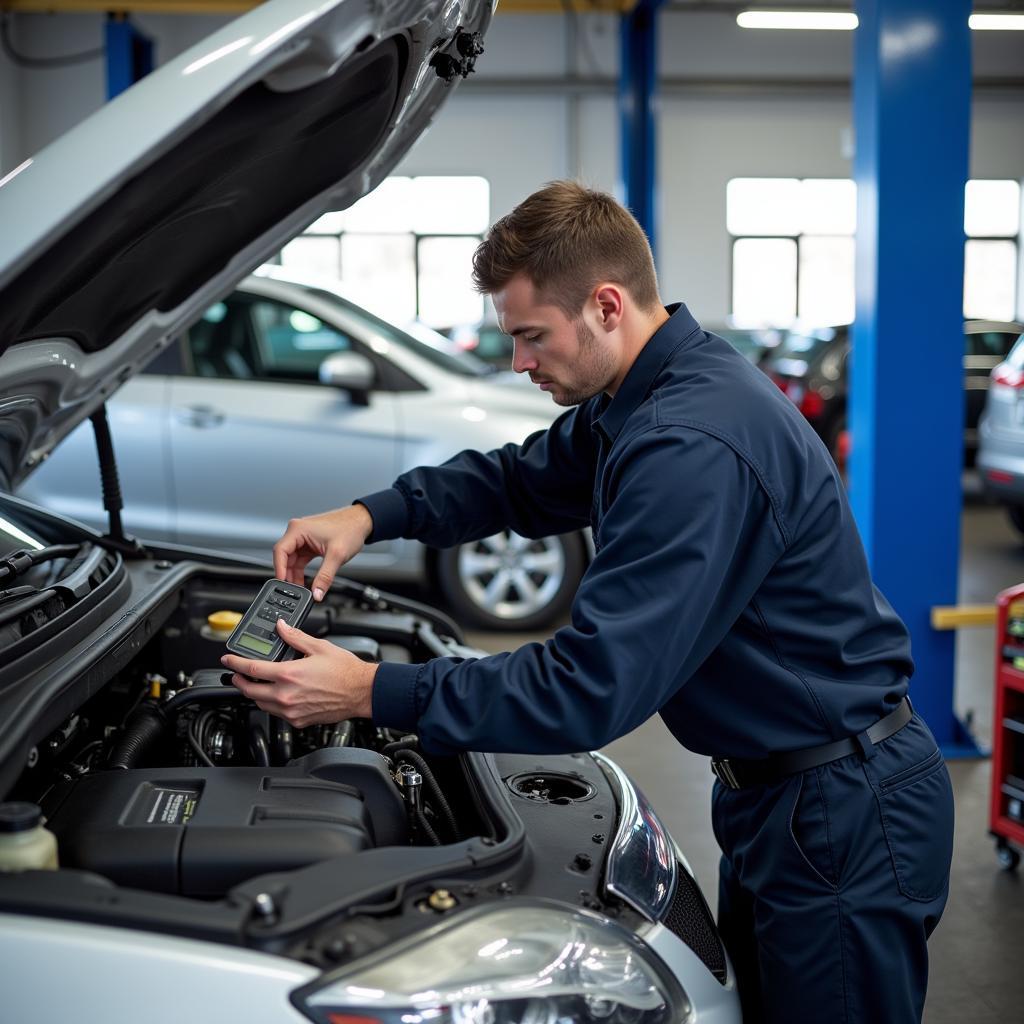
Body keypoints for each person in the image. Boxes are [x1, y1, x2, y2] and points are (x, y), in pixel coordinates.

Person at [221, 180, 953, 1023]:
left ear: (606, 304)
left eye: (532, 337)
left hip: (841, 808)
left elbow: (589, 687)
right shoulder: (639, 397)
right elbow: (518, 480)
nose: (519, 362)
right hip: (784, 795)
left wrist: (371, 691)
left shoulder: (691, 443)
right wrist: (369, 516)